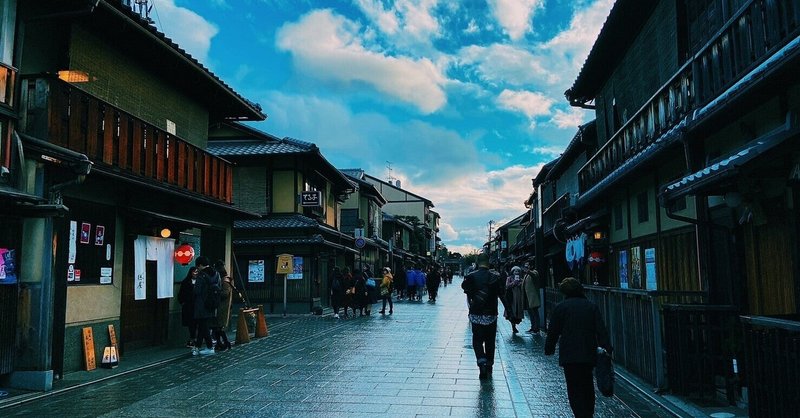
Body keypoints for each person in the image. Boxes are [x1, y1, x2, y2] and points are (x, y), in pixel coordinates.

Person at [545, 277, 612, 418]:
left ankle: (579, 413)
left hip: (569, 354)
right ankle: (588, 412)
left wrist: (549, 348)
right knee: (587, 383)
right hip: (588, 352)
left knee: (573, 385)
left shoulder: (561, 307)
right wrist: (607, 348)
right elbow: (601, 330)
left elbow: (553, 331)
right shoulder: (591, 306)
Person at [462, 254, 506, 379]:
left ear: (477, 262)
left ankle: (481, 362)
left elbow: (466, 290)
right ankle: (490, 365)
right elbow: (502, 295)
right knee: (490, 341)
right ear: (489, 262)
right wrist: (509, 310)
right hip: (491, 313)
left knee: (477, 340)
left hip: (476, 313)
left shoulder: (470, 277)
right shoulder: (496, 277)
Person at [192, 256, 220, 355]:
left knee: (203, 326)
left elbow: (197, 291)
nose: (197, 269)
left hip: (201, 304)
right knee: (203, 325)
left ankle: (209, 346)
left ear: (200, 265)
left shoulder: (201, 275)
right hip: (212, 303)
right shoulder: (216, 274)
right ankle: (197, 347)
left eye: (197, 266)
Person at [212, 260, 233, 352]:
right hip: (221, 306)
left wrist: (216, 291)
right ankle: (221, 343)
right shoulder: (225, 279)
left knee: (218, 327)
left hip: (222, 307)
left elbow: (225, 293)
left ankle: (224, 342)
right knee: (218, 327)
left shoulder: (224, 281)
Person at [177, 267, 199, 348]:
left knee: (197, 324)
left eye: (197, 272)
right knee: (191, 324)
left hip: (197, 306)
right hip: (189, 306)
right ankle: (192, 339)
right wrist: (182, 302)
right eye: (194, 272)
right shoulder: (186, 282)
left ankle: (196, 339)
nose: (195, 273)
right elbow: (181, 294)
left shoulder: (200, 282)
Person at [504, 265, 526, 334]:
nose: (516, 272)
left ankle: (515, 324)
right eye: (515, 271)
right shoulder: (509, 278)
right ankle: (513, 326)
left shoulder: (521, 279)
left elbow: (524, 286)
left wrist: (520, 283)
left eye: (518, 271)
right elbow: (507, 286)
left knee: (517, 311)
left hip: (519, 297)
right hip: (511, 297)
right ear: (512, 272)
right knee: (512, 311)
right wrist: (514, 283)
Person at [522, 263, 541, 334]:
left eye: (528, 266)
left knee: (535, 313)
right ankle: (533, 327)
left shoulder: (534, 272)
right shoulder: (526, 275)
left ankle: (537, 328)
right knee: (531, 313)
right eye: (525, 266)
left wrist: (528, 271)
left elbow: (534, 276)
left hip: (533, 297)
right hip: (528, 297)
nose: (526, 267)